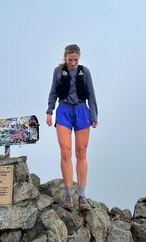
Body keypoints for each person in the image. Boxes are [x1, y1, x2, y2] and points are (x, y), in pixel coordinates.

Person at [46, 44, 98, 211]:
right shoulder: (58, 71)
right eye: (70, 60)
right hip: (64, 111)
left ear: (79, 58)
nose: (73, 63)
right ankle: (69, 196)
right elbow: (53, 91)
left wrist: (94, 116)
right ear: (65, 58)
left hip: (82, 111)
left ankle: (82, 197)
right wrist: (49, 111)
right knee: (65, 151)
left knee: (81, 152)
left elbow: (91, 94)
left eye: (76, 60)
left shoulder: (85, 71)